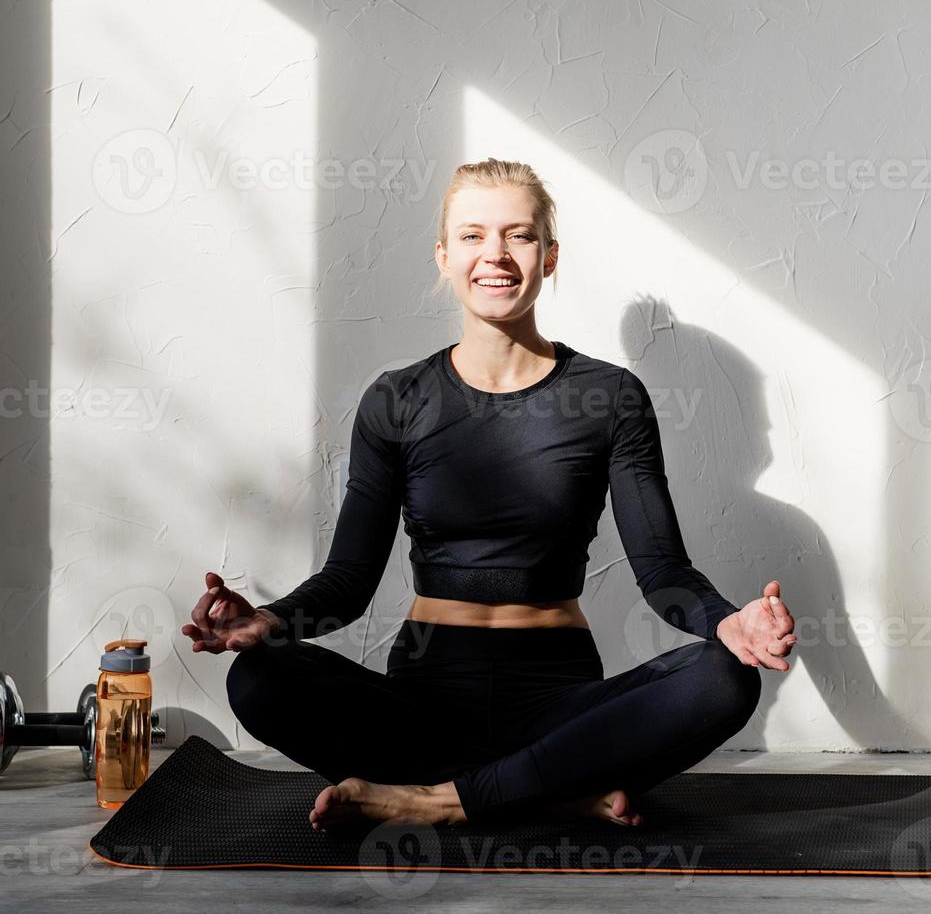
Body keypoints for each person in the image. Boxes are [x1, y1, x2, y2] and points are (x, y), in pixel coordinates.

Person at [181, 158, 797, 831]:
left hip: (560, 707)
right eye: (473, 236)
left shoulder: (611, 397)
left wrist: (723, 621)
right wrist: (271, 620)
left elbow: (663, 571)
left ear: (550, 256)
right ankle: (548, 795)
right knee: (259, 678)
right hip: (423, 707)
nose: (495, 255)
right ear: (444, 256)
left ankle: (440, 800)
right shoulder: (396, 399)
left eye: (520, 236)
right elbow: (347, 579)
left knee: (726, 678)